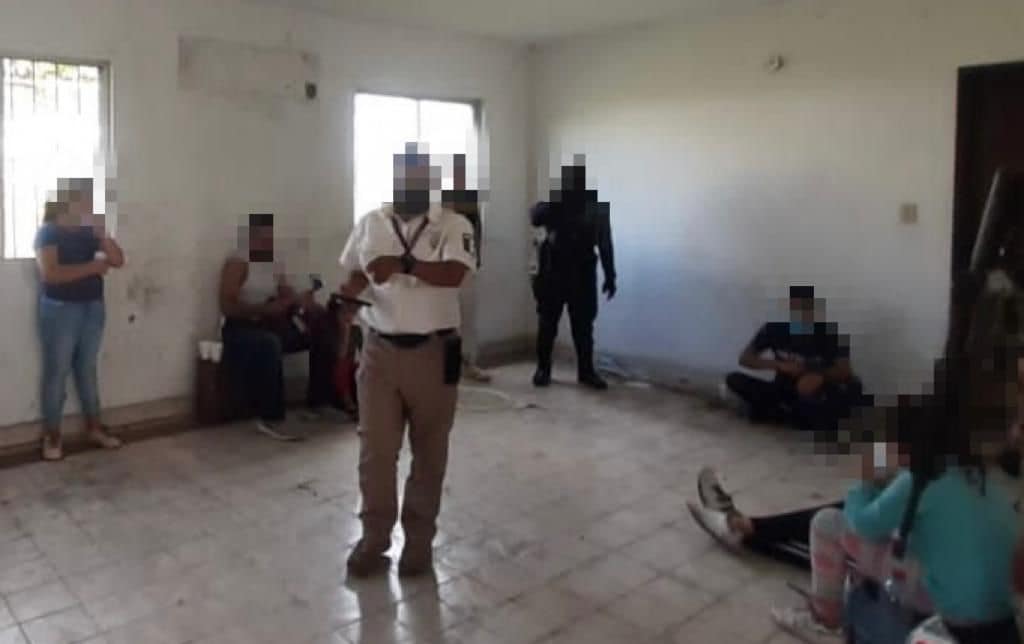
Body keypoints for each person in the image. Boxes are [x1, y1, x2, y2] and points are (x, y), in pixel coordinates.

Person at [338, 143, 476, 578]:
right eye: (404, 176)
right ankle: (374, 539)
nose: (410, 184)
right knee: (375, 453)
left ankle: (418, 544)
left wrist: (402, 264)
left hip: (435, 352)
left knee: (430, 452)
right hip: (379, 351)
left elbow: (456, 274)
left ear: (430, 182)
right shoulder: (371, 223)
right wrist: (348, 296)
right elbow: (356, 273)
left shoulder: (453, 224)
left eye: (419, 178)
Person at [218, 213, 339, 441]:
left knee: (322, 331)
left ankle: (319, 403)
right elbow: (227, 307)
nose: (268, 242)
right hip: (241, 328)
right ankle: (271, 417)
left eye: (270, 237)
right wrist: (264, 309)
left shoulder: (272, 262)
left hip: (271, 324)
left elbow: (285, 294)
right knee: (269, 344)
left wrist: (301, 301)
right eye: (262, 237)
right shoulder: (237, 263)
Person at [35, 178, 125, 461]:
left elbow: (118, 260)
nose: (89, 206)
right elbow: (51, 274)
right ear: (67, 202)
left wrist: (103, 235)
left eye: (91, 201)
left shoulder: (90, 232)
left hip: (92, 307)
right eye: (84, 200)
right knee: (57, 372)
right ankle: (52, 435)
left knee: (87, 369)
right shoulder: (48, 232)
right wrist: (93, 268)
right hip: (60, 310)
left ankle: (94, 429)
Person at [725, 285, 863, 433]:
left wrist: (819, 375)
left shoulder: (829, 334)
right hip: (784, 389)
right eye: (797, 308)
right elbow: (745, 358)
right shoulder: (775, 329)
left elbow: (844, 371)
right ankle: (785, 414)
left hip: (818, 392)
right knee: (735, 379)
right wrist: (779, 365)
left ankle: (785, 415)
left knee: (848, 397)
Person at [530, 156, 616, 389]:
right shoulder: (555, 203)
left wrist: (610, 275)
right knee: (548, 323)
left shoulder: (595, 206)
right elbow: (535, 217)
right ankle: (543, 369)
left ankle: (585, 371)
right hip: (553, 271)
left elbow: (605, 241)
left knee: (583, 326)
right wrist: (554, 203)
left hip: (582, 271)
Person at [442, 152, 490, 383]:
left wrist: (476, 258)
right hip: (444, 268)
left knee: (468, 318)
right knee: (446, 319)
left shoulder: (470, 199)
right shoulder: (440, 200)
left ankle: (468, 362)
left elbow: (476, 231)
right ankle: (447, 367)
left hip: (468, 267)